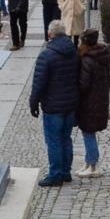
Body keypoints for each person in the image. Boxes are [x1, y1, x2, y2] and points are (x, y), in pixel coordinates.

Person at [28, 20, 80, 188]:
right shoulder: (74, 52)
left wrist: (33, 102)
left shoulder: (47, 55)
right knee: (66, 139)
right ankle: (66, 172)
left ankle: (55, 174)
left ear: (50, 34)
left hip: (53, 106)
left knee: (54, 141)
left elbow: (39, 83)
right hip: (70, 104)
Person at [75, 29, 110, 178]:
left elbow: (83, 85)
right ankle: (88, 162)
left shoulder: (87, 60)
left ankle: (93, 164)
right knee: (89, 133)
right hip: (101, 100)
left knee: (88, 133)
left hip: (89, 103)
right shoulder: (103, 56)